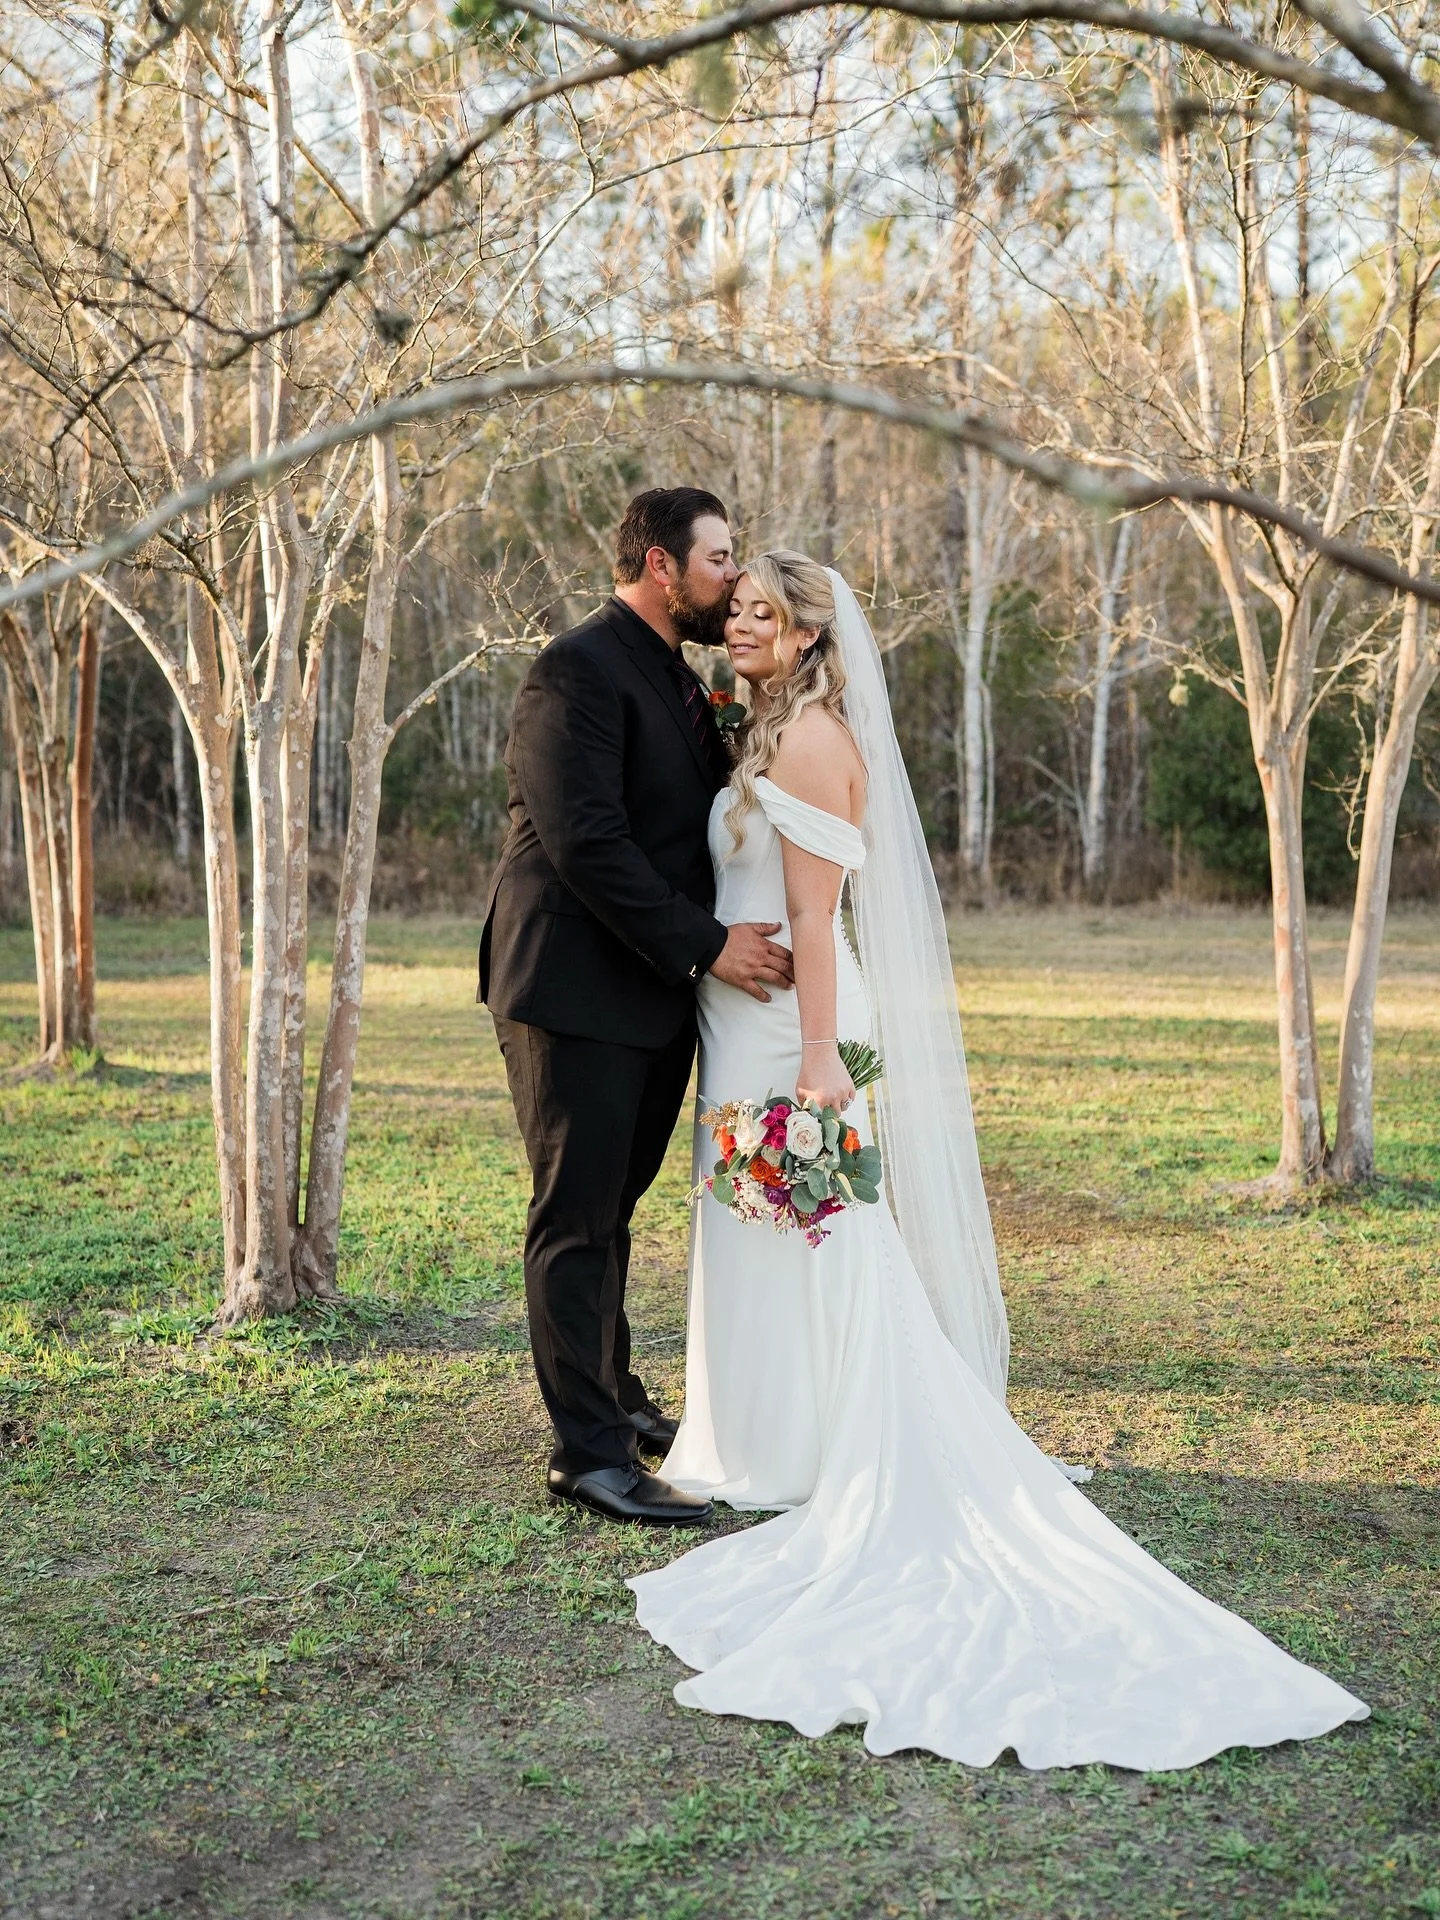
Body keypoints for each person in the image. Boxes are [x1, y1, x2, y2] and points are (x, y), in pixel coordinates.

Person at [629, 551, 1369, 1769]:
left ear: (813, 637)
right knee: (763, 1233)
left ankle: (809, 1449)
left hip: (792, 1030)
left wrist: (818, 1057)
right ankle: (766, 1438)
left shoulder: (812, 743)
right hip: (746, 1024)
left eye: (766, 612)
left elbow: (815, 917)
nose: (743, 624)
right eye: (739, 608)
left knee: (820, 1236)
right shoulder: (765, 731)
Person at [480, 488, 795, 1526]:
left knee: (611, 1211)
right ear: (663, 567)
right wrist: (709, 945)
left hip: (650, 992)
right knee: (574, 1218)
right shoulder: (575, 669)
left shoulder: (673, 673)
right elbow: (586, 844)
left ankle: (614, 1402)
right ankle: (587, 1457)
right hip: (572, 988)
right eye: (719, 559)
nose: (730, 577)